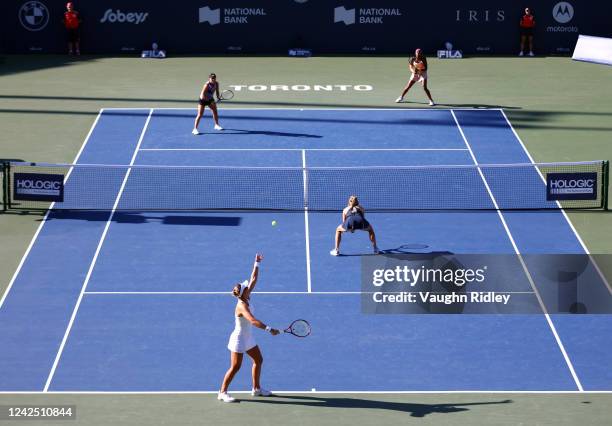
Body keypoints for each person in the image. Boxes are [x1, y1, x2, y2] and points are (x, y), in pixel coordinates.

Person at [218, 253, 280, 403]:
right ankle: (222, 392)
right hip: (239, 339)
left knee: (258, 360)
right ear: (243, 292)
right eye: (246, 287)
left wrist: (256, 263)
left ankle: (256, 389)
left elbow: (253, 278)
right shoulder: (242, 305)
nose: (249, 286)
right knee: (235, 367)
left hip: (248, 337)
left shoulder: (246, 295)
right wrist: (269, 329)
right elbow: (252, 321)